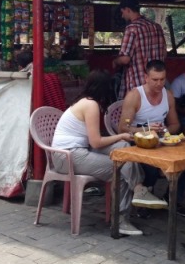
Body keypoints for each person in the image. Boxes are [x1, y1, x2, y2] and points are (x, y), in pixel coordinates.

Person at [51, 70, 166, 236]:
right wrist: (120, 134)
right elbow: (96, 142)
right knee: (119, 169)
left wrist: (121, 139)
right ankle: (120, 221)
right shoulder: (90, 105)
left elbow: (93, 141)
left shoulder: (85, 101)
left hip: (78, 150)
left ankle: (139, 189)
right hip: (67, 157)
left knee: (123, 147)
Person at [119, 59, 185, 217]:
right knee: (150, 168)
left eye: (162, 79)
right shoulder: (135, 95)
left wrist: (164, 130)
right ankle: (144, 201)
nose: (159, 84)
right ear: (146, 78)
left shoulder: (168, 95)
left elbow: (175, 124)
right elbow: (123, 128)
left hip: (160, 141)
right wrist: (146, 129)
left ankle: (173, 200)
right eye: (155, 80)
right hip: (138, 143)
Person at [113, 0, 166, 100]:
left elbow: (125, 59)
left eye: (122, 12)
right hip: (157, 84)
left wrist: (115, 61)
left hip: (138, 86)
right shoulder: (156, 27)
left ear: (128, 10)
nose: (122, 16)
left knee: (135, 115)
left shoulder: (131, 28)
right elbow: (164, 54)